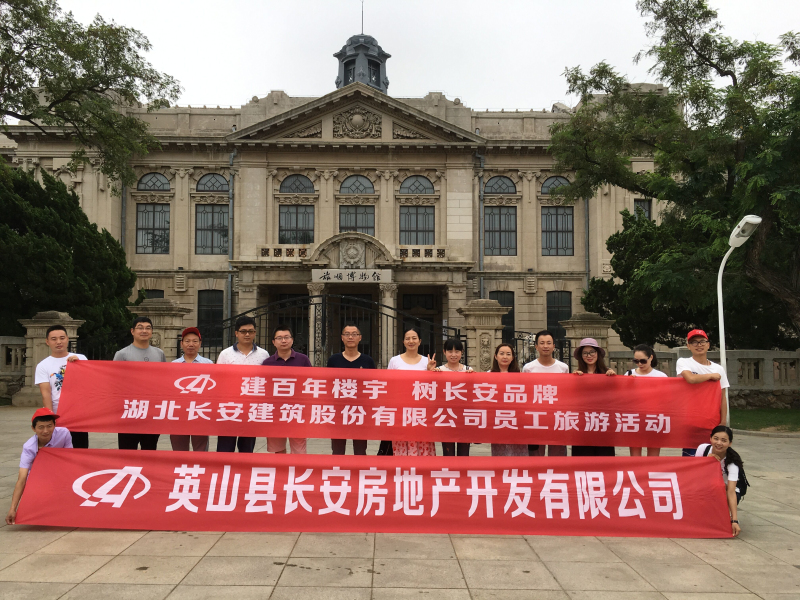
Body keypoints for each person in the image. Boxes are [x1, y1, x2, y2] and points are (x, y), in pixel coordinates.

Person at [6, 408, 73, 525]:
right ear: (33, 428)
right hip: (38, 476)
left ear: (54, 425)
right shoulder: (29, 447)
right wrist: (12, 509)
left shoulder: (64, 433)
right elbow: (22, 478)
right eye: (41, 427)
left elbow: (70, 458)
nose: (46, 431)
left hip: (59, 470)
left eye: (49, 426)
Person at [216, 316, 269, 453]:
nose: (247, 334)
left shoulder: (264, 355)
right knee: (225, 447)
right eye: (243, 331)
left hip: (251, 407)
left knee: (247, 447)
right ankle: (225, 467)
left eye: (251, 331)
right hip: (229, 407)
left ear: (255, 333)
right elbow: (219, 380)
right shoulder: (225, 354)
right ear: (236, 333)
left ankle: (244, 467)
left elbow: (267, 381)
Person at [114, 316, 165, 450]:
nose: (144, 331)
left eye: (148, 328)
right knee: (127, 451)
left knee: (150, 450)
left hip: (151, 412)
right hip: (129, 412)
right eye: (140, 328)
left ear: (152, 331)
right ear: (132, 331)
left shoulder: (159, 354)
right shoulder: (122, 354)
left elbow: (164, 379)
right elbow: (115, 382)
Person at [676, 329, 730, 456]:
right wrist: (710, 376)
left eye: (702, 341)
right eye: (694, 342)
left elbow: (722, 397)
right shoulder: (684, 362)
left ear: (708, 345)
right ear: (688, 346)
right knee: (691, 458)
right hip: (691, 422)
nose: (699, 345)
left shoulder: (718, 369)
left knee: (711, 458)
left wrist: (723, 422)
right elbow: (690, 379)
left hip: (712, 422)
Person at [34, 325, 88, 448]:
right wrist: (51, 418)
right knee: (58, 450)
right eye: (54, 339)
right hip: (59, 413)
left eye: (62, 338)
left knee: (80, 449)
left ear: (67, 339)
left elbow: (89, 383)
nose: (58, 342)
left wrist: (80, 365)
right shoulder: (43, 365)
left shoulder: (81, 358)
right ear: (47, 342)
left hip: (79, 414)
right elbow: (46, 393)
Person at [327, 323, 376, 456]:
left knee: (360, 450)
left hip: (360, 411)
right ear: (342, 337)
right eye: (347, 334)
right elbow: (328, 385)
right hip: (338, 411)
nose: (350, 337)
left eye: (354, 334)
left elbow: (373, 386)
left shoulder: (368, 361)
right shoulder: (333, 360)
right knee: (337, 450)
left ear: (360, 338)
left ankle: (359, 469)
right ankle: (337, 469)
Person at [388, 327, 437, 457]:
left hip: (422, 410)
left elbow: (432, 387)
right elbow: (389, 385)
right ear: (403, 341)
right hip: (401, 410)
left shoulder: (427, 361)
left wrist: (430, 371)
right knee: (401, 443)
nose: (411, 341)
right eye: (407, 338)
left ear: (420, 341)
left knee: (422, 443)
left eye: (414, 338)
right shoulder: (394, 361)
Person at [262, 325, 309, 454]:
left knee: (299, 450)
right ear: (273, 342)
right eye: (279, 338)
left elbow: (310, 382)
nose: (283, 341)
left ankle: (297, 468)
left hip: (297, 411)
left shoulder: (303, 360)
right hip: (275, 412)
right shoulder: (267, 363)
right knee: (278, 450)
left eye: (286, 337)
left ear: (292, 340)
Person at [524, 330, 568, 457]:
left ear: (554, 346)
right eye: (542, 343)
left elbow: (566, 391)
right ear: (536, 346)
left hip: (557, 416)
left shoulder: (563, 367)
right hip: (536, 417)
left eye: (549, 343)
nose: (545, 346)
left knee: (557, 454)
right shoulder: (528, 368)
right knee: (536, 455)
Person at [170, 327, 213, 452]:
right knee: (179, 449)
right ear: (181, 344)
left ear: (200, 343)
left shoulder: (208, 364)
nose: (191, 344)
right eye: (187, 341)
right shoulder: (173, 365)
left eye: (195, 341)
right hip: (178, 412)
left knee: (200, 449)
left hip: (200, 411)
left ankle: (199, 465)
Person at [571, 338, 616, 457]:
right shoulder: (577, 374)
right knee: (583, 456)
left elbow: (618, 394)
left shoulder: (608, 373)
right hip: (582, 422)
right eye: (585, 353)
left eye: (592, 352)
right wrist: (574, 380)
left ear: (598, 353)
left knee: (604, 456)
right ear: (581, 356)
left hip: (603, 421)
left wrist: (614, 379)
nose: (589, 356)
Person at [696, 425, 743, 537]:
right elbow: (695, 474)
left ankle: (726, 516)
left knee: (721, 489)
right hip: (706, 487)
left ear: (730, 443)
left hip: (724, 492)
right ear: (710, 438)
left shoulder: (732, 463)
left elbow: (731, 492)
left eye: (724, 440)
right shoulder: (703, 449)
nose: (719, 443)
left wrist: (734, 520)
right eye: (716, 438)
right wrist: (707, 462)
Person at [430, 338, 473, 457]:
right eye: (450, 351)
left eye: (457, 351)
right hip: (446, 416)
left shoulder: (468, 370)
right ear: (444, 352)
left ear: (462, 352)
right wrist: (430, 373)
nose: (453, 355)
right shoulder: (439, 370)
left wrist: (472, 377)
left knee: (464, 453)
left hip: (464, 417)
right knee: (448, 453)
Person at [625, 344, 667, 457]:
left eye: (643, 361)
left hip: (654, 417)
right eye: (636, 361)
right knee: (635, 457)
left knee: (653, 457)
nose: (640, 364)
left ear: (651, 358)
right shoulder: (629, 374)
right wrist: (628, 383)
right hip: (634, 418)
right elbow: (623, 397)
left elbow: (666, 399)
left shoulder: (661, 376)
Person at [489, 343, 529, 457]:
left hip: (517, 418)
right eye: (502, 354)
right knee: (500, 450)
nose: (505, 357)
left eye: (508, 354)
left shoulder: (520, 376)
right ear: (496, 356)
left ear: (512, 357)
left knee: (518, 450)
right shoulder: (488, 375)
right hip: (498, 418)